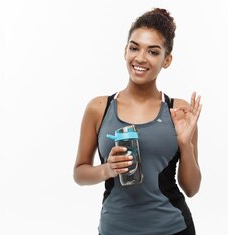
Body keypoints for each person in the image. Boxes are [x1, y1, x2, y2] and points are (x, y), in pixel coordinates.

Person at [73, 8, 202, 235]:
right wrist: (107, 169)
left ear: (167, 60)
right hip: (115, 229)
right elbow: (80, 174)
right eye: (134, 48)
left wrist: (185, 144)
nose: (140, 58)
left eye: (153, 52)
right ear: (125, 51)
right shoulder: (99, 108)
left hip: (173, 228)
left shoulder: (178, 111)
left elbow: (191, 188)